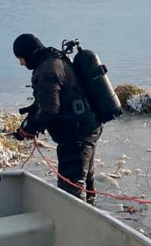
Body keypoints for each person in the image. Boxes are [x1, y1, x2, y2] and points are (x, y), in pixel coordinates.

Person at [12, 33, 102, 204]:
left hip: (75, 135)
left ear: (29, 53)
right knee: (85, 179)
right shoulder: (56, 60)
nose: (21, 63)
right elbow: (55, 99)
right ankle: (93, 211)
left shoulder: (47, 70)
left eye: (21, 58)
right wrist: (31, 116)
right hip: (87, 126)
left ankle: (77, 225)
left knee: (71, 191)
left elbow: (49, 109)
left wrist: (29, 129)